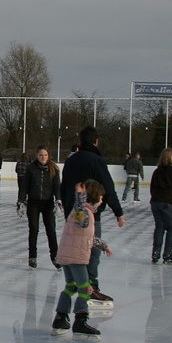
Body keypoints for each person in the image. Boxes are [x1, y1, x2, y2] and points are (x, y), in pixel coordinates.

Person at [60, 126, 125, 307]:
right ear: (96, 141)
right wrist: (118, 212)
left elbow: (64, 186)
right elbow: (108, 188)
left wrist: (67, 209)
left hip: (72, 212)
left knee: (76, 247)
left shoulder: (71, 160)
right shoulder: (96, 160)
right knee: (91, 248)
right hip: (90, 213)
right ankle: (90, 287)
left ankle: (78, 284)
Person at [50, 180, 113, 341]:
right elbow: (80, 216)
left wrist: (104, 246)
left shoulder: (85, 213)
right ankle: (80, 322)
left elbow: (89, 236)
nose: (102, 200)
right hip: (76, 258)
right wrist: (80, 195)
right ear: (92, 197)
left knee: (71, 287)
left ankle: (60, 319)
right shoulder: (83, 212)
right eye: (100, 197)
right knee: (86, 289)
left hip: (67, 255)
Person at [18, 146, 61, 269]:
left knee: (51, 230)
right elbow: (24, 186)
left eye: (45, 155)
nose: (43, 157)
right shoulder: (31, 168)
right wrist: (21, 201)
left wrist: (58, 200)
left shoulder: (54, 169)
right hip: (33, 203)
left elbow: (57, 186)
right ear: (37, 155)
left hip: (48, 203)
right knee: (34, 230)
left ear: (49, 156)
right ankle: (32, 257)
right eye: (41, 155)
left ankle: (55, 256)